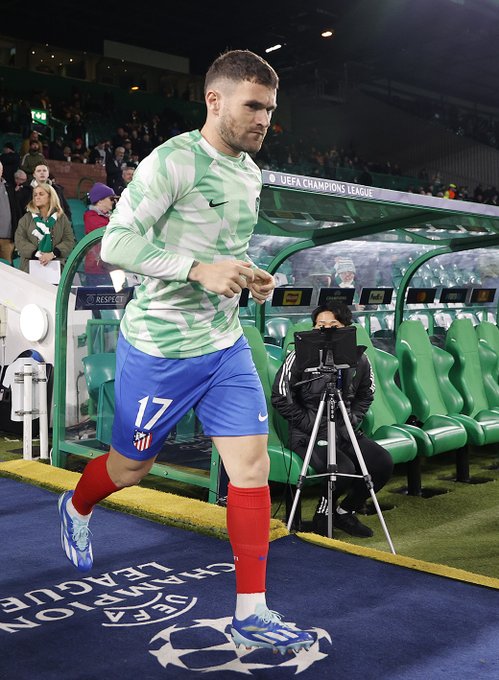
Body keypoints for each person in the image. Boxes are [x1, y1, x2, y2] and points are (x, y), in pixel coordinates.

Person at [57, 49, 314, 655]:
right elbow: (114, 243)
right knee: (130, 470)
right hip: (161, 350)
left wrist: (246, 275)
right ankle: (77, 504)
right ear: (215, 100)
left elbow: (222, 249)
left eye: (271, 109)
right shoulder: (172, 162)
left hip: (224, 344)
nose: (264, 120)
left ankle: (251, 612)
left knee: (249, 471)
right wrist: (197, 270)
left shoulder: (251, 173)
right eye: (253, 106)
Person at [271, 301, 393, 538]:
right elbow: (280, 396)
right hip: (308, 434)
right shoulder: (298, 357)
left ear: (346, 328)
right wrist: (309, 424)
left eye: (333, 325)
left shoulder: (359, 359)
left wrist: (352, 418)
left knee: (381, 463)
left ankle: (343, 511)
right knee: (343, 469)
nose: (325, 330)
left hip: (344, 431)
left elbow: (366, 394)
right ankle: (322, 518)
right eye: (320, 325)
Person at [14, 183, 75, 273]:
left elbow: (69, 240)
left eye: (41, 194)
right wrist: (37, 254)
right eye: (35, 195)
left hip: (56, 268)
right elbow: (20, 240)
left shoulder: (61, 218)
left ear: (51, 197)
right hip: (29, 268)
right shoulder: (26, 218)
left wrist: (53, 254)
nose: (37, 197)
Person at [83, 182, 117, 284]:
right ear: (100, 201)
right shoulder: (90, 216)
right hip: (96, 268)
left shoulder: (110, 217)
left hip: (109, 266)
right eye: (111, 199)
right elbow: (108, 231)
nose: (114, 201)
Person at [0, 160, 21, 263]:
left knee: (7, 272)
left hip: (7, 239)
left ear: (2, 170)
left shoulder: (9, 188)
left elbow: (16, 212)